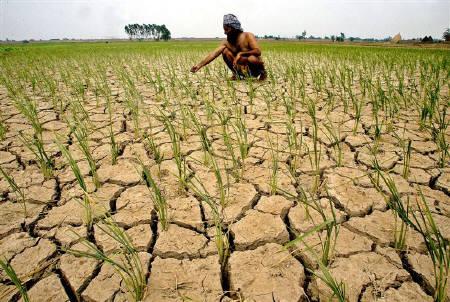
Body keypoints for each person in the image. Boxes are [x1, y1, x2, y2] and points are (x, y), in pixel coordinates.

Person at [190, 14, 267, 81]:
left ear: (234, 28)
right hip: (241, 69)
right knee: (225, 51)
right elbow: (213, 54)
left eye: (227, 29)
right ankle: (236, 75)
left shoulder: (248, 36)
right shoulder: (226, 42)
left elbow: (258, 51)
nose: (225, 32)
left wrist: (241, 54)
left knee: (252, 58)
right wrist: (199, 65)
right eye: (224, 29)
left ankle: (263, 73)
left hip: (253, 70)